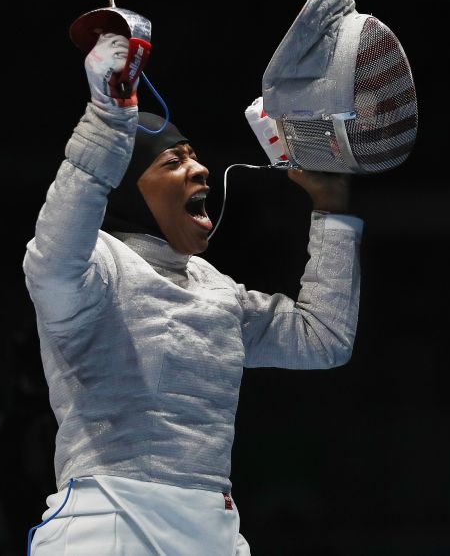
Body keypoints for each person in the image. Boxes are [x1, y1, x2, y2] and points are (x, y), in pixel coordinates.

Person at [23, 32, 362, 554]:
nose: (200, 169)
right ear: (130, 190)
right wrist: (107, 117)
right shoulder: (97, 269)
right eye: (173, 161)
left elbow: (324, 338)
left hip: (212, 528)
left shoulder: (217, 291)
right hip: (113, 518)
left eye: (194, 157)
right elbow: (53, 254)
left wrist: (331, 205)